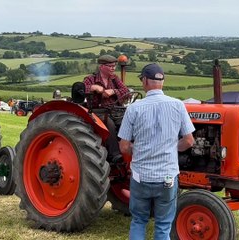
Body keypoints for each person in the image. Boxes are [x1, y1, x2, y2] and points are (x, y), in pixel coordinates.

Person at [118, 63, 195, 240]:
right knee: (163, 225)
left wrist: (138, 150)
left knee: (138, 220)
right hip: (167, 177)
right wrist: (169, 148)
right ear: (162, 82)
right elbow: (189, 141)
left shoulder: (134, 108)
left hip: (141, 177)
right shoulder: (178, 105)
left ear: (145, 81)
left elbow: (123, 146)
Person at [83, 54, 129, 163]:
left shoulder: (114, 79)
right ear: (102, 66)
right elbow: (80, 89)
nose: (113, 68)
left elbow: (126, 92)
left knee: (128, 121)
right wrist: (93, 87)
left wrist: (113, 91)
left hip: (115, 110)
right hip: (97, 111)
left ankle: (128, 149)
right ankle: (115, 155)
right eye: (110, 66)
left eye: (114, 66)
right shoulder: (91, 79)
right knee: (109, 124)